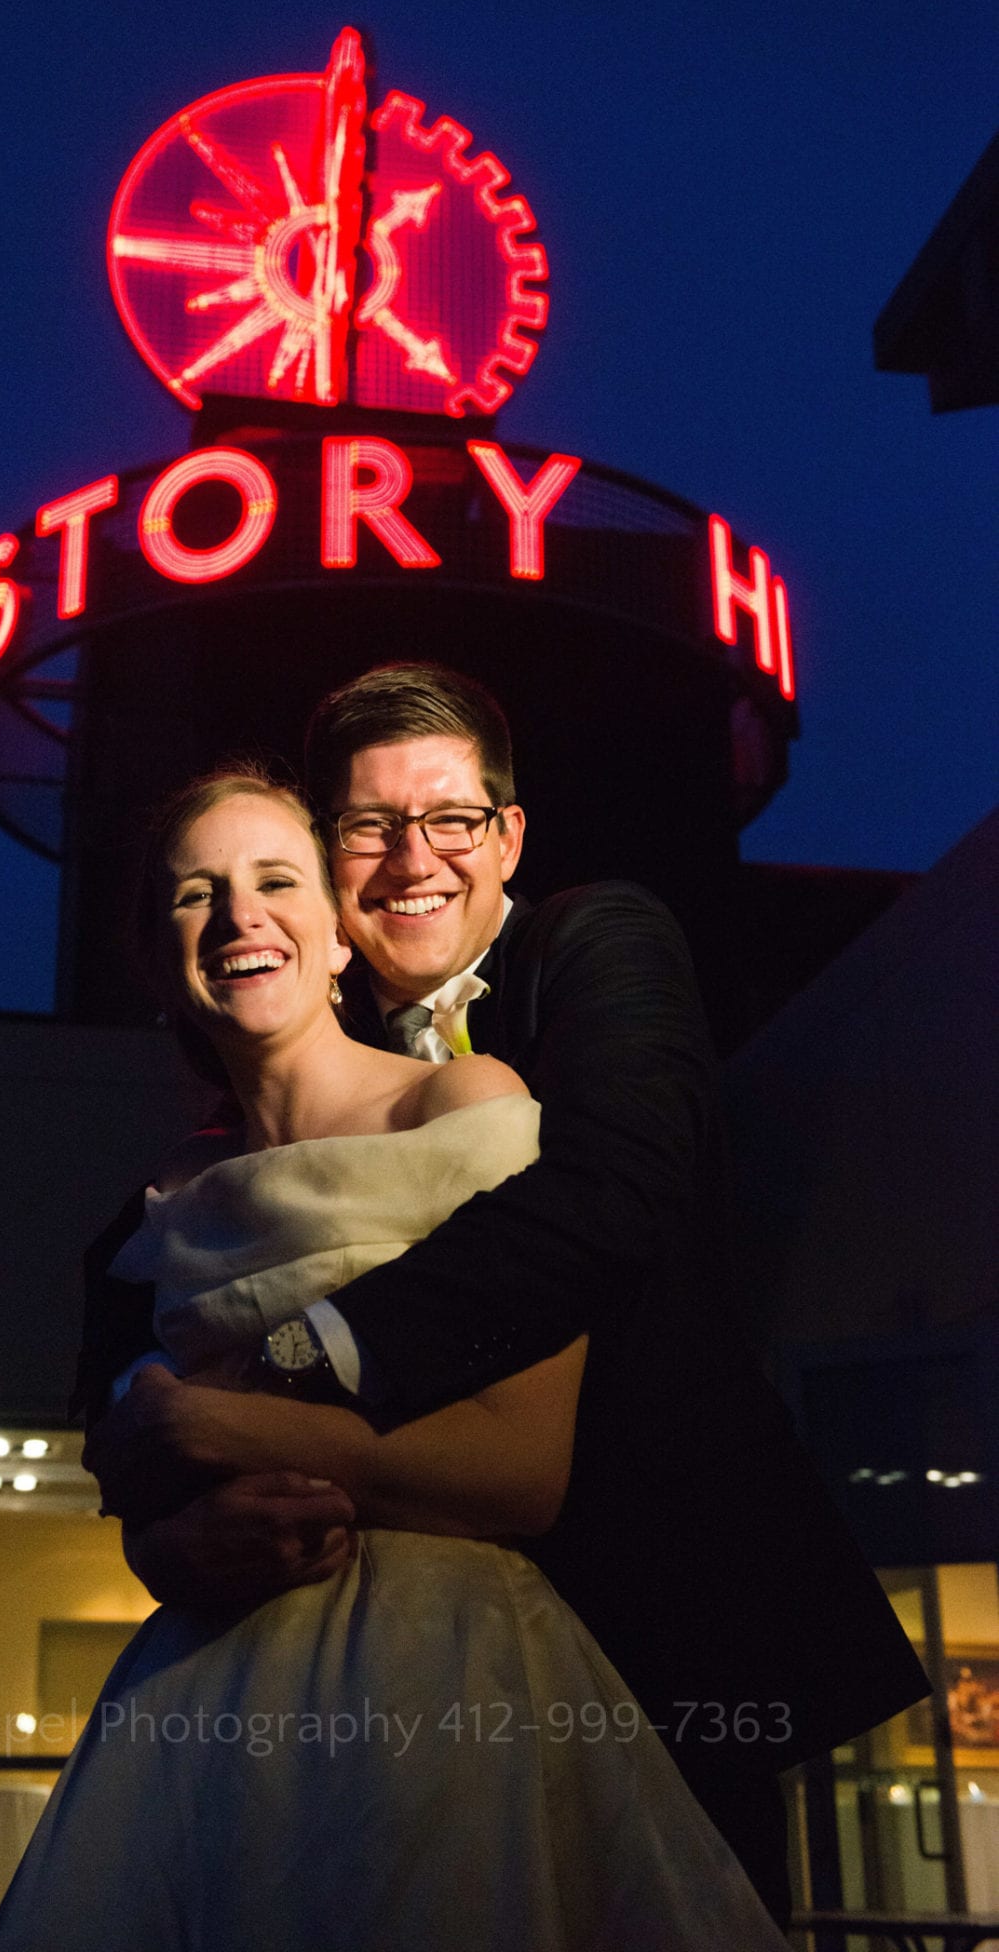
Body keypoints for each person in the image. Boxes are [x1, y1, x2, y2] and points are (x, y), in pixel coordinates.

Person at [78, 663, 931, 1930]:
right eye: (368, 826)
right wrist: (160, 1523)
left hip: (653, 1596)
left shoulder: (597, 940)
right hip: (326, 1659)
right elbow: (136, 1360)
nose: (412, 855)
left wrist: (289, 1369)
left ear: (507, 834)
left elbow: (610, 1195)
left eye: (451, 817)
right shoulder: (283, 1061)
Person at [0, 770, 790, 1951]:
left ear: (332, 935)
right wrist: (169, 1544)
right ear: (159, 961)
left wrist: (219, 1425)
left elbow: (518, 1471)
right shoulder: (147, 1219)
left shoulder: (455, 1103)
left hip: (444, 1678)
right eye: (194, 894)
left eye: (274, 881)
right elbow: (142, 1497)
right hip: (208, 1698)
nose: (238, 916)